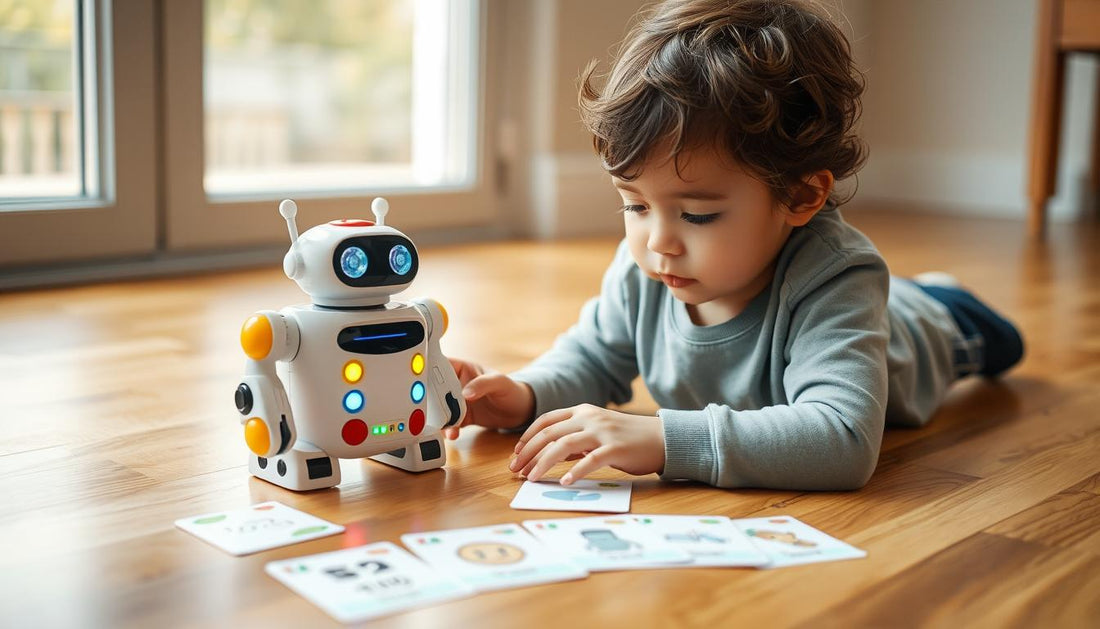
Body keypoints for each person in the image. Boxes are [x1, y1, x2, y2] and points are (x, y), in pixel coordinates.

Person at [445, 0, 1023, 490]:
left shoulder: (837, 277)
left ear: (800, 195)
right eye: (635, 205)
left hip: (937, 332)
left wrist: (664, 438)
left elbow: (842, 437)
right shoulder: (645, 266)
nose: (659, 242)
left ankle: (938, 298)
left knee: (998, 341)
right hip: (872, 306)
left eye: (697, 214)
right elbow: (594, 356)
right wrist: (523, 394)